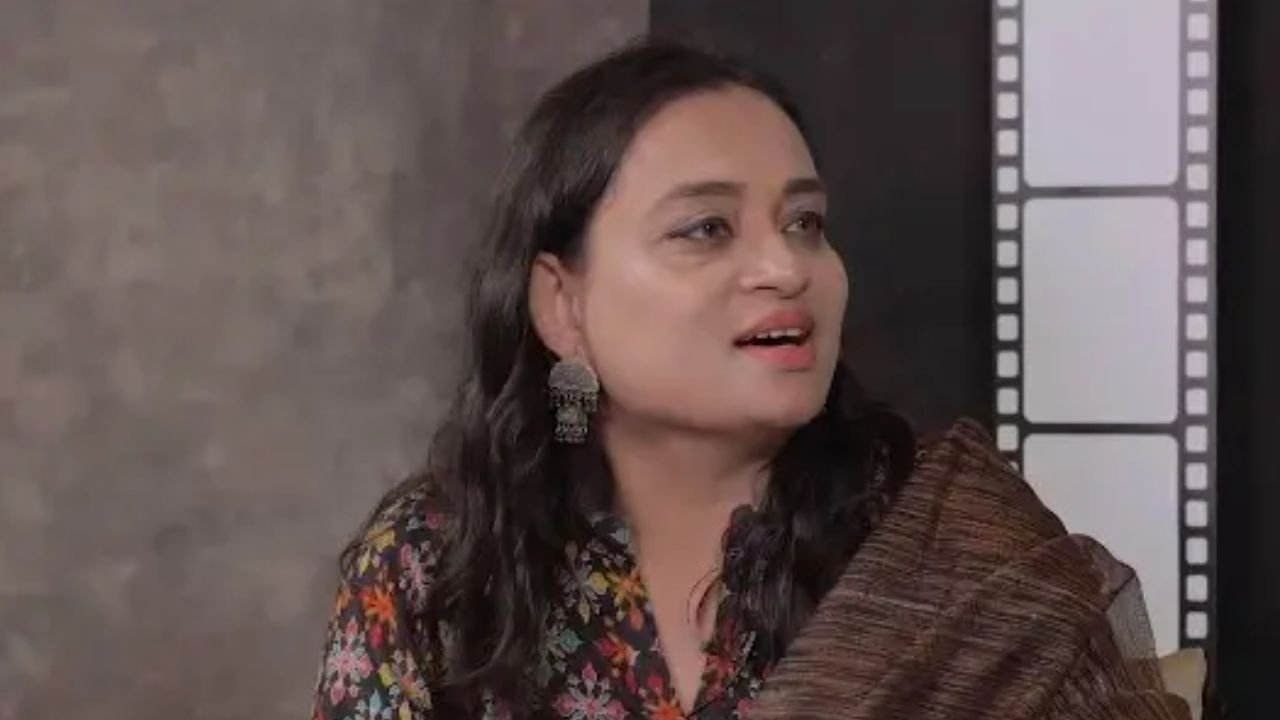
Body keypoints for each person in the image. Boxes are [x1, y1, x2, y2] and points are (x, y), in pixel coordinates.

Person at [310, 42, 1188, 720]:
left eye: (805, 222)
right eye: (706, 228)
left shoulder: (946, 543)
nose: (786, 266)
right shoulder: (436, 562)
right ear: (562, 305)